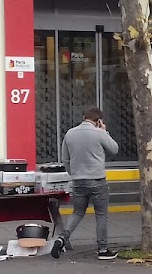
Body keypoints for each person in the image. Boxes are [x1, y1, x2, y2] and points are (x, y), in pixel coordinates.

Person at [51, 107, 120, 261]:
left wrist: (74, 174)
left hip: (78, 181)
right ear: (99, 121)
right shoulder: (99, 133)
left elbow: (66, 159)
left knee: (77, 212)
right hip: (97, 181)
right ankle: (102, 250)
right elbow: (114, 149)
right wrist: (104, 131)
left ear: (84, 118)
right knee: (101, 215)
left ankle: (62, 239)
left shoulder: (70, 133)